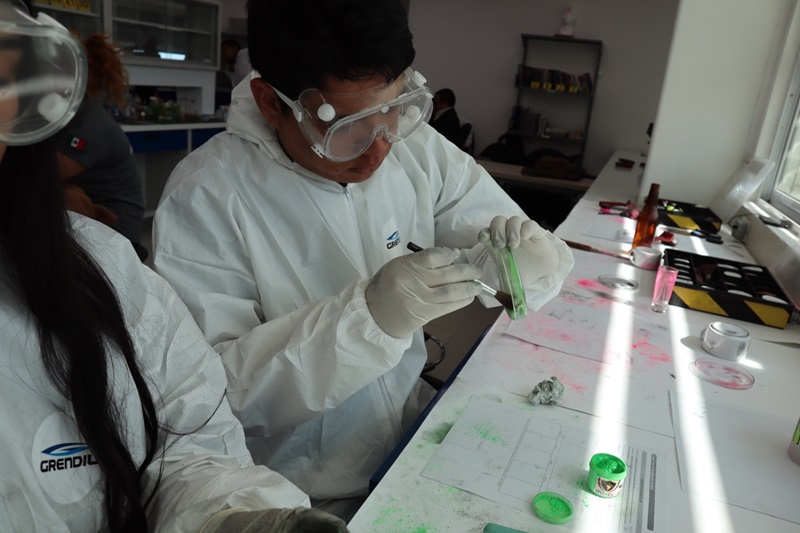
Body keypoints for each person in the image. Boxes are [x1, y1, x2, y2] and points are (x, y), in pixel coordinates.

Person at [152, 0, 574, 519]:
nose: (378, 149)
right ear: (270, 102)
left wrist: (526, 265)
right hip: (294, 493)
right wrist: (367, 321)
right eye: (345, 127)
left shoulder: (416, 148)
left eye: (394, 108)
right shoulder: (206, 196)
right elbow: (213, 398)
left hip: (405, 443)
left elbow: (492, 233)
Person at [0, 2, 348, 531]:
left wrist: (223, 517)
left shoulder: (104, 267)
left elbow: (187, 437)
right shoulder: (208, 187)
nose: (377, 149)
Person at [56, 32, 146, 258]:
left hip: (117, 234)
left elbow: (43, 176)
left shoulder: (90, 125)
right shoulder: (71, 115)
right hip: (89, 222)